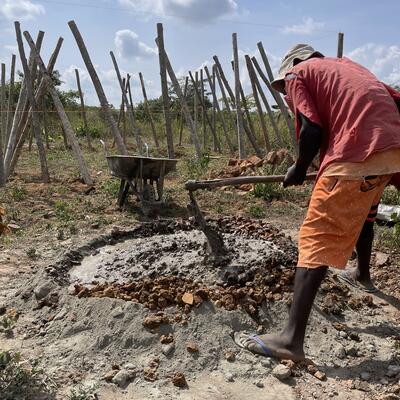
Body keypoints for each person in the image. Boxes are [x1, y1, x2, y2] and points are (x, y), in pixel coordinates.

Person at [235, 44, 400, 361]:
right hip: (392, 150)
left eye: (283, 89)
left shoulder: (299, 73)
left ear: (294, 64)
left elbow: (312, 129)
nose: (286, 93)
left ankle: (290, 340)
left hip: (359, 150)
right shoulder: (351, 68)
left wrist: (299, 168)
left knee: (316, 235)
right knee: (365, 209)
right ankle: (363, 275)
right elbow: (394, 100)